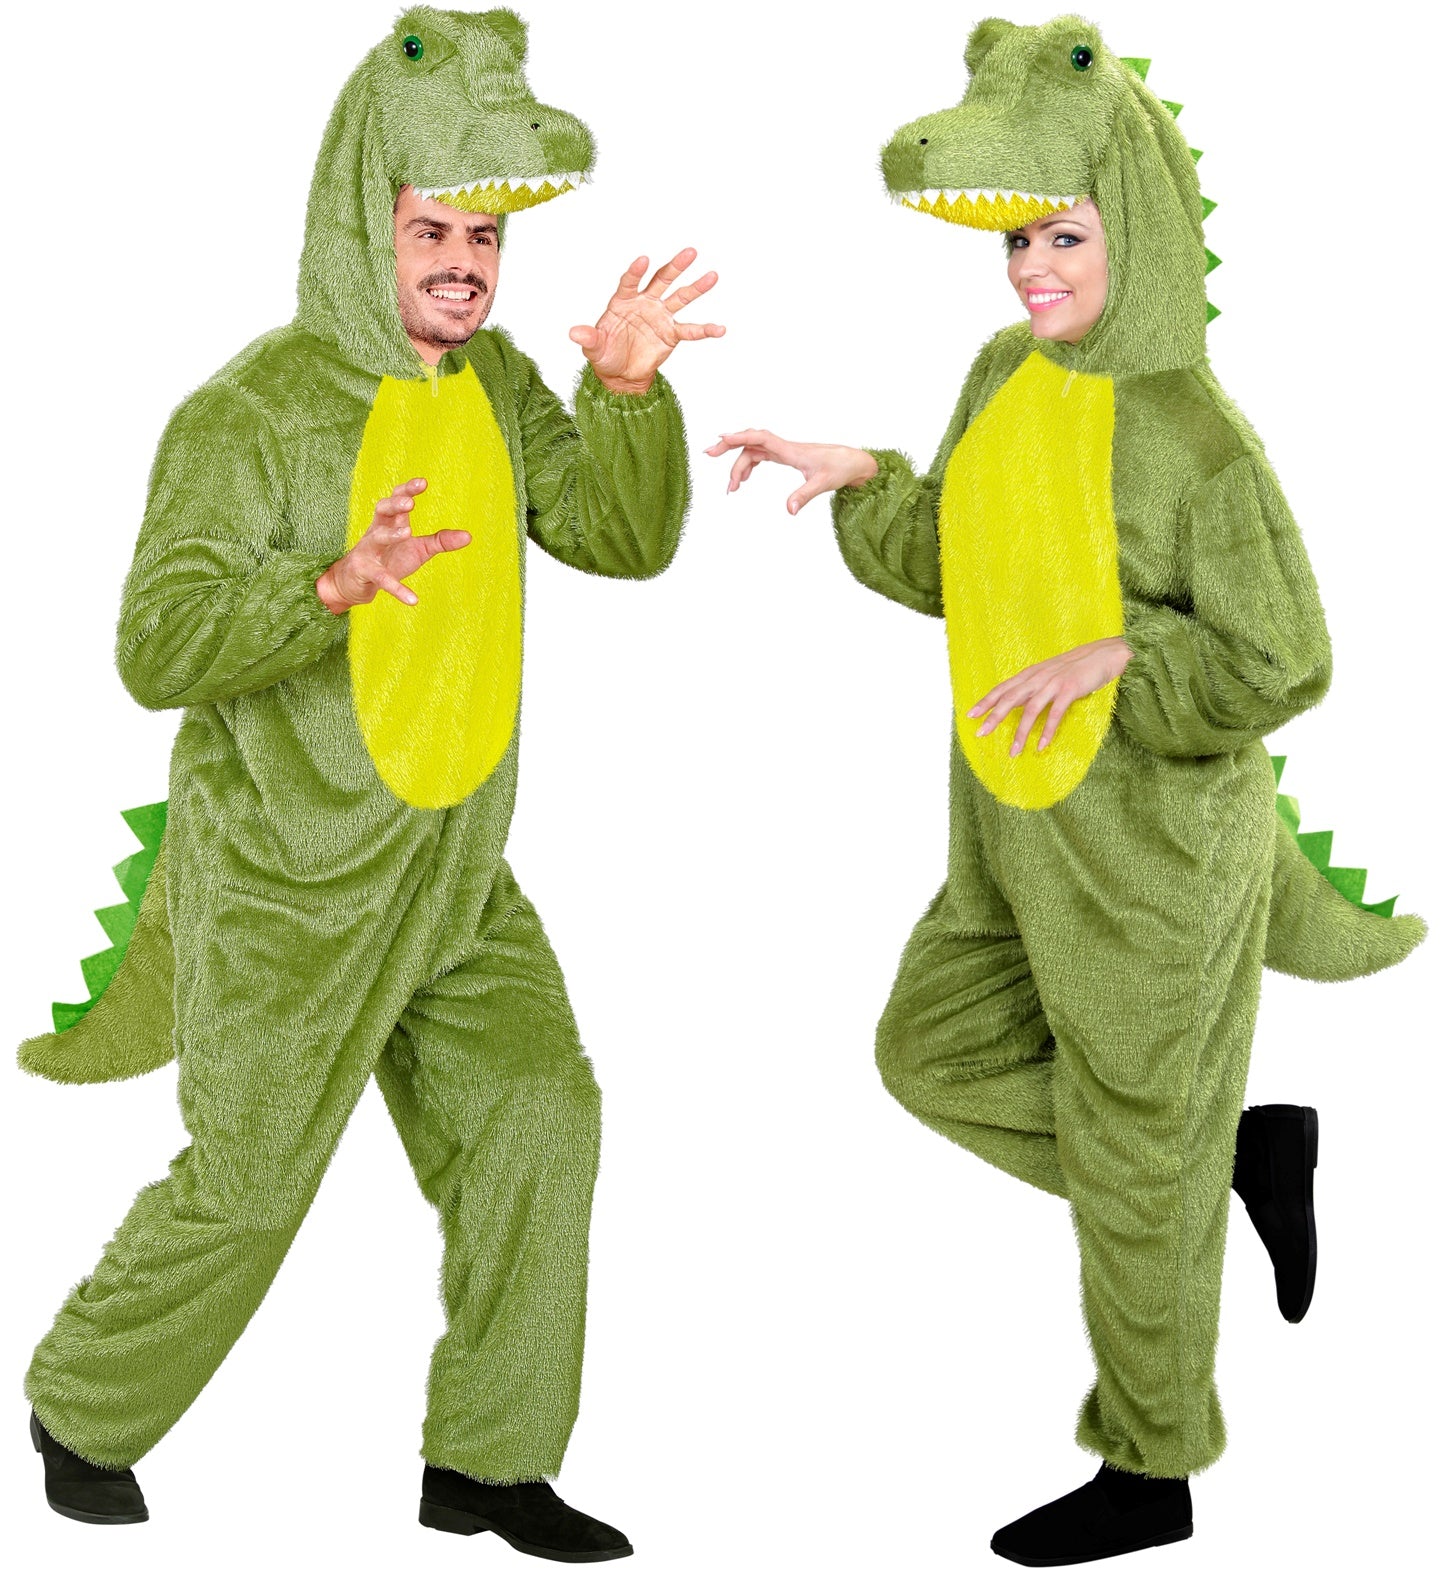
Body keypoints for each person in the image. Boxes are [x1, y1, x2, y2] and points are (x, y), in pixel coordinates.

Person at [710, 15, 1421, 1568]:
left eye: (1065, 238)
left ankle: (1152, 1472)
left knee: (1132, 1144)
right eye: (1019, 241)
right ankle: (1230, 1158)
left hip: (1155, 853)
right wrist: (865, 480)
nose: (1031, 269)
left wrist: (1121, 651)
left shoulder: (1195, 436)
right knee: (928, 1052)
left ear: (1131, 233)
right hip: (1005, 828)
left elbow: (1282, 660)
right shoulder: (998, 374)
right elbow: (954, 569)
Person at [22, 10, 720, 1560]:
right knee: (253, 1184)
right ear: (366, 228)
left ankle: (488, 1465)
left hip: (457, 869)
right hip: (287, 880)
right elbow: (154, 648)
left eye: (483, 236)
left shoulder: (498, 385)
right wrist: (329, 586)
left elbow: (619, 541)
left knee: (540, 1116)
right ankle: (80, 1404)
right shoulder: (249, 412)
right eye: (432, 231)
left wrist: (623, 394)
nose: (464, 264)